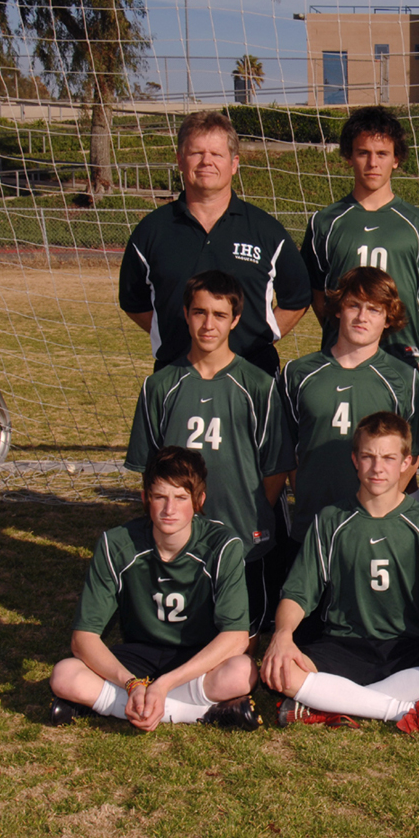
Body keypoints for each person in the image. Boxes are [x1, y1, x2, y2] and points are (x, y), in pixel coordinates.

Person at [261, 412, 419, 735]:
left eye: (388, 458)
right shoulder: (330, 520)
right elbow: (298, 593)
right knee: (282, 671)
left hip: (407, 644)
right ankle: (405, 708)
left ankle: (327, 704)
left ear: (407, 462)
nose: (377, 467)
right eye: (369, 457)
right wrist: (283, 635)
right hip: (343, 645)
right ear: (355, 460)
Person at [126, 270, 294, 636]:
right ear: (185, 314)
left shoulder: (258, 385)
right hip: (178, 531)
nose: (208, 324)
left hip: (242, 531)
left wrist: (252, 515)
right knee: (185, 632)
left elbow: (276, 467)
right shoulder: (159, 386)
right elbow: (148, 467)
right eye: (200, 312)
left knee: (240, 635)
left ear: (235, 320)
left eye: (219, 315)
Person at [48, 446, 260, 731]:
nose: (169, 509)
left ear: (199, 501)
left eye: (180, 498)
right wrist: (131, 683)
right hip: (138, 655)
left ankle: (115, 705)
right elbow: (83, 639)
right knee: (64, 675)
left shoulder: (222, 546)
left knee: (242, 672)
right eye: (160, 497)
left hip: (196, 658)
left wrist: (164, 685)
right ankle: (203, 712)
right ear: (145, 498)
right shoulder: (116, 545)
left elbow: (236, 639)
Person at [119, 111, 311, 375]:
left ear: (234, 164)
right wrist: (176, 337)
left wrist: (260, 337)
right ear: (179, 161)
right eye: (196, 153)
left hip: (252, 375)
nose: (206, 161)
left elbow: (298, 297)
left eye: (216, 154)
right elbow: (133, 302)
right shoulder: (151, 231)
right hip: (177, 376)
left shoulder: (265, 230)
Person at [279, 266, 419, 548]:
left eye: (374, 309)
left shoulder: (404, 379)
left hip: (375, 529)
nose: (362, 317)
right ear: (338, 309)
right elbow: (288, 453)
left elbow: (414, 454)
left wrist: (380, 503)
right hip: (312, 527)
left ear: (388, 318)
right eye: (354, 305)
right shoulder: (297, 374)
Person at [300, 106, 419, 383]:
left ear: (396, 159)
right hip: (340, 357)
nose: (372, 163)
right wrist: (346, 328)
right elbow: (318, 293)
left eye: (382, 154)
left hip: (402, 356)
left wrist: (395, 325)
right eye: (363, 153)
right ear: (349, 157)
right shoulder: (325, 222)